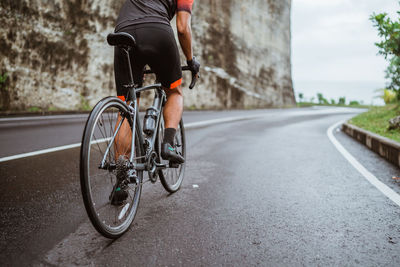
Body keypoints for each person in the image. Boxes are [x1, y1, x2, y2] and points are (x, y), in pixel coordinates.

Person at [113, 0, 200, 164]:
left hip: (123, 32)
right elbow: (182, 28)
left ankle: (121, 174)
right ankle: (168, 145)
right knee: (175, 92)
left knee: (127, 106)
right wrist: (190, 60)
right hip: (156, 30)